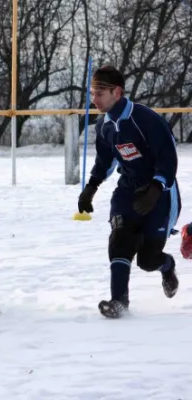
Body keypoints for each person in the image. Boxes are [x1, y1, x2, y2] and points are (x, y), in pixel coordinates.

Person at [77, 65, 180, 318]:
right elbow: (104, 161)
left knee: (147, 259)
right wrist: (91, 187)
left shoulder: (145, 119)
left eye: (100, 93)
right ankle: (119, 301)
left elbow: (168, 158)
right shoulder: (104, 125)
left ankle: (167, 265)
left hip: (161, 192)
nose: (94, 99)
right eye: (92, 93)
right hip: (127, 190)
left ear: (117, 92)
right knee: (120, 238)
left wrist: (156, 188)